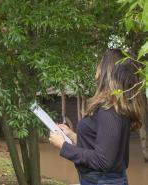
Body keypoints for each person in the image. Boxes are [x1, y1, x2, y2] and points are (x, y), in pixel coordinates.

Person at [49, 49, 145, 185]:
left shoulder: (110, 110)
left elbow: (103, 160)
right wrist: (73, 136)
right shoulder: (114, 107)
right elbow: (103, 145)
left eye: (101, 63)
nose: (98, 67)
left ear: (108, 71)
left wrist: (63, 146)